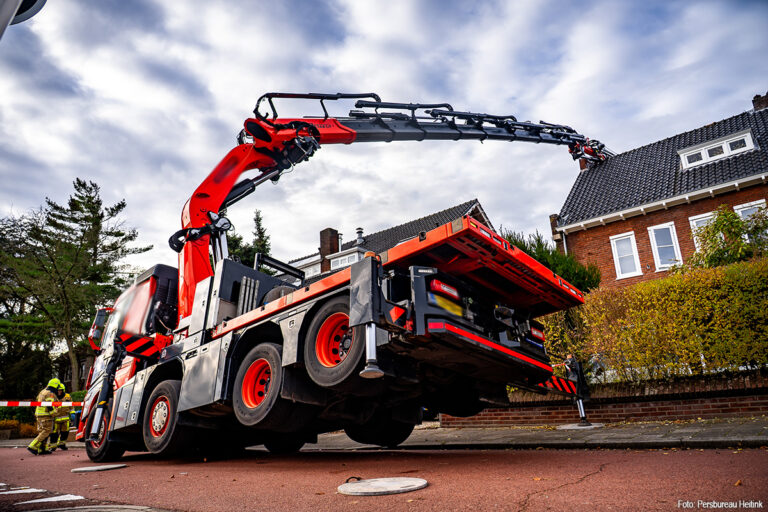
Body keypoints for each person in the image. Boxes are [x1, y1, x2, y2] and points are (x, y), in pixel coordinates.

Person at [27, 378, 63, 456]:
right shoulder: (50, 393)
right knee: (46, 431)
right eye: (57, 387)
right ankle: (32, 446)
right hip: (45, 415)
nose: (58, 389)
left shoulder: (43, 392)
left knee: (43, 431)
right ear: (55, 386)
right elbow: (49, 404)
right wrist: (53, 413)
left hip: (39, 414)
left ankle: (42, 449)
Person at [49, 383, 72, 452]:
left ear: (63, 390)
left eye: (60, 390)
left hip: (66, 418)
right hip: (56, 419)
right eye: (58, 390)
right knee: (54, 433)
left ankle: (62, 444)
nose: (59, 392)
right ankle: (53, 446)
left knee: (65, 432)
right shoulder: (52, 396)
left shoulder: (67, 396)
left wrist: (73, 414)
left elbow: (72, 406)